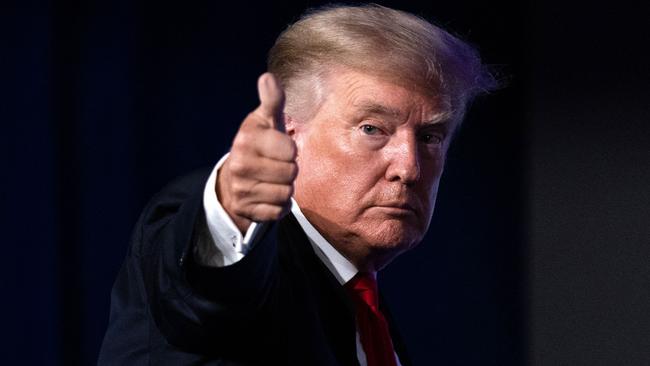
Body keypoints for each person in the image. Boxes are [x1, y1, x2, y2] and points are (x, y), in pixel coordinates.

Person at [98, 4, 495, 365]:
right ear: (288, 135)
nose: (408, 168)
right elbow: (202, 295)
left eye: (430, 137)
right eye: (372, 129)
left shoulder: (367, 314)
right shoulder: (253, 273)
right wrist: (231, 211)